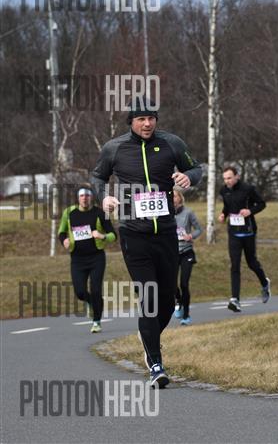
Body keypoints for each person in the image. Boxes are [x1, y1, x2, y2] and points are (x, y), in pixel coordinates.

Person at [91, 98, 202, 389]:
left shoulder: (171, 143)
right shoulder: (114, 148)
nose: (147, 123)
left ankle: (148, 336)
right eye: (141, 119)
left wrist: (188, 177)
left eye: (151, 118)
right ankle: (155, 364)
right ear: (131, 121)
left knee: (167, 300)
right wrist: (104, 197)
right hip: (133, 234)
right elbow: (97, 176)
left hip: (165, 233)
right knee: (149, 297)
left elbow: (196, 169)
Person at [57, 185, 117, 333]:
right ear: (78, 198)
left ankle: (96, 321)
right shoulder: (69, 213)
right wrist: (64, 240)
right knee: (80, 292)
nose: (85, 198)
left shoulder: (99, 213)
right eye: (82, 196)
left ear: (91, 198)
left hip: (96, 258)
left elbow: (113, 235)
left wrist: (102, 236)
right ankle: (91, 302)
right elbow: (61, 232)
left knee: (96, 290)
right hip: (77, 259)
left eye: (87, 195)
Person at [217, 167, 271, 311]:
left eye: (229, 178)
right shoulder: (224, 190)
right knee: (235, 265)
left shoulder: (248, 189)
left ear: (237, 176)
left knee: (251, 263)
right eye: (225, 178)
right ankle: (235, 299)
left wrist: (249, 211)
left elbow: (262, 204)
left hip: (248, 232)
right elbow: (227, 206)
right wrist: (223, 215)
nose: (227, 181)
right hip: (233, 233)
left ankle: (264, 283)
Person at [173, 189, 201, 325]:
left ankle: (186, 315)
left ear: (180, 198)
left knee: (184, 284)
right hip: (172, 253)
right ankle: (179, 300)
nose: (172, 199)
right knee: (171, 284)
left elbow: (199, 229)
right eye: (170, 196)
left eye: (174, 196)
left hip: (186, 252)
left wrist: (191, 236)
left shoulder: (188, 212)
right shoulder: (165, 214)